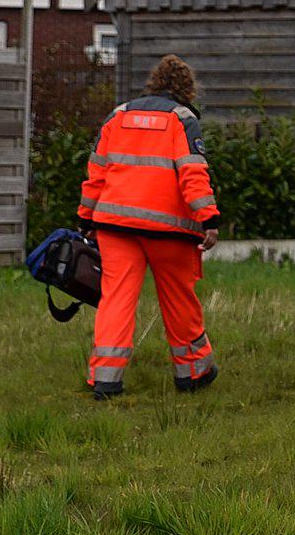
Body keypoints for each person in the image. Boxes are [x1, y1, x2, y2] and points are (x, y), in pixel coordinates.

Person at [76, 54, 221, 398]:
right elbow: (192, 173)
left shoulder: (118, 115)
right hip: (170, 230)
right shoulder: (182, 119)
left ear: (153, 82)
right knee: (179, 301)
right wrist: (209, 218)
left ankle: (106, 380)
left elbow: (97, 172)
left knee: (116, 300)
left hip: (115, 225)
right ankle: (192, 373)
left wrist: (85, 217)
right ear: (188, 89)